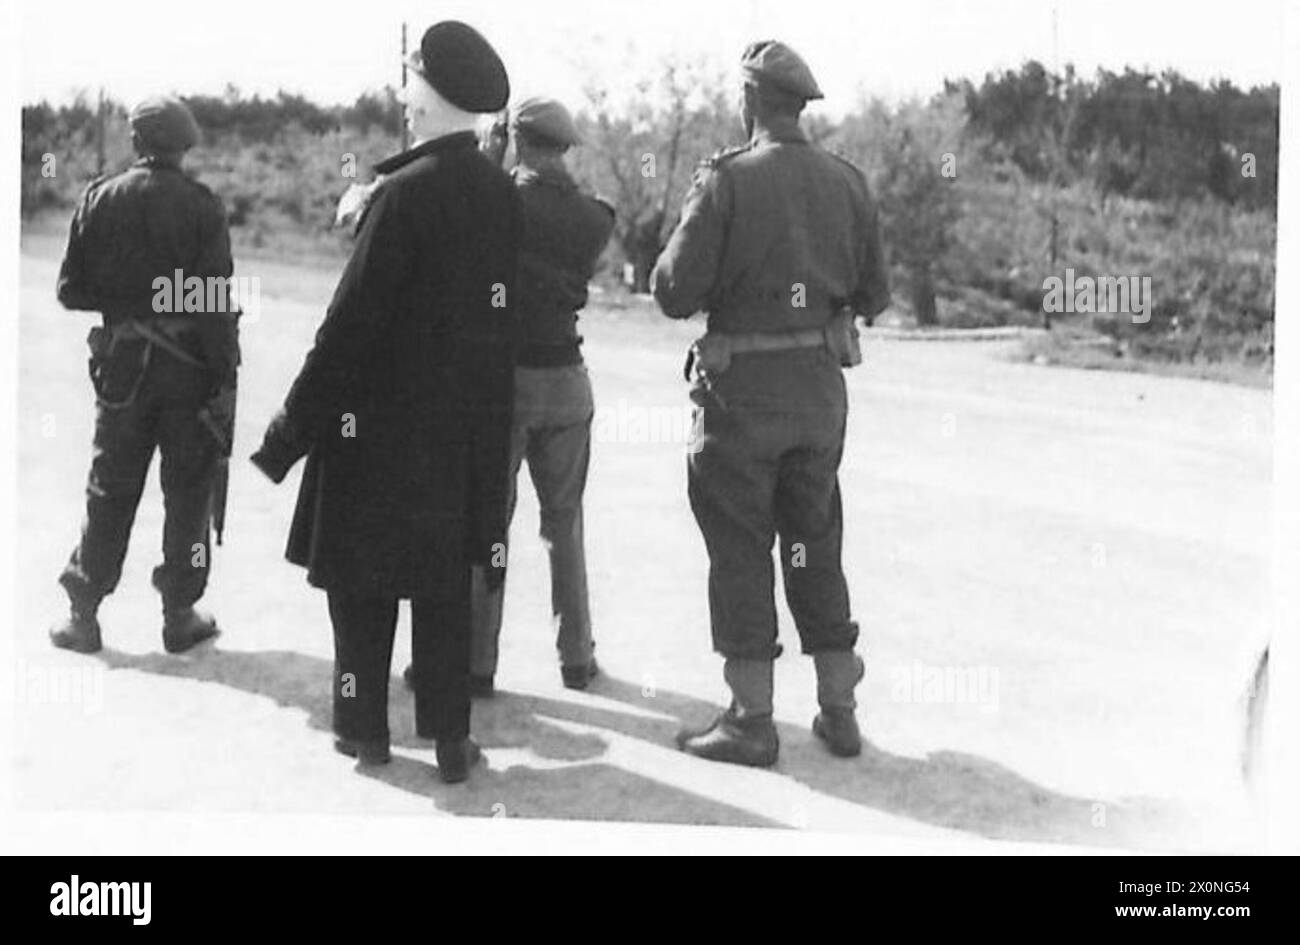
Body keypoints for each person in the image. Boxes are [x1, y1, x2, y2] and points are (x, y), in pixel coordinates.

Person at [250, 20, 518, 784]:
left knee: (361, 589)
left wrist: (288, 432)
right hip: (457, 435)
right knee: (442, 588)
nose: (404, 99)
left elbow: (349, 329)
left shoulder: (399, 197)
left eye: (411, 85)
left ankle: (364, 731)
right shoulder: (500, 196)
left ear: (432, 102)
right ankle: (449, 740)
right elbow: (498, 332)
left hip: (372, 434)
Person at [651, 40, 890, 767]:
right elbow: (875, 295)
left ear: (749, 101)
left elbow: (672, 291)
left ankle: (751, 717)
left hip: (742, 403)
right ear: (800, 105)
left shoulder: (725, 181)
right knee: (815, 541)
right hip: (820, 397)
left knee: (740, 550)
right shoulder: (847, 182)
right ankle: (838, 706)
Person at [50, 95, 238, 656]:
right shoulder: (204, 206)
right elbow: (212, 303)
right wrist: (225, 374)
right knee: (190, 493)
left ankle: (82, 615)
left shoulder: (98, 198)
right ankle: (180, 615)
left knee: (110, 487)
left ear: (136, 143)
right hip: (188, 371)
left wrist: (129, 300)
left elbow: (69, 291)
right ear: (184, 147)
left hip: (123, 368)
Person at [466, 97, 615, 695]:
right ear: (566, 147)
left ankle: (477, 663)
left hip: (505, 382)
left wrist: (486, 157)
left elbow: (474, 220)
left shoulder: (496, 201)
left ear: (517, 139)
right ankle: (576, 657)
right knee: (564, 525)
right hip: (568, 379)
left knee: (488, 528)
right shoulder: (594, 218)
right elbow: (573, 210)